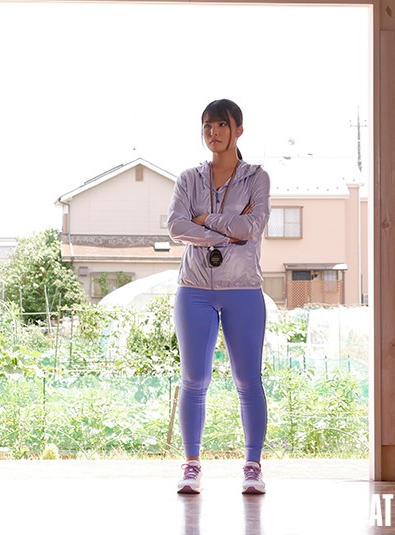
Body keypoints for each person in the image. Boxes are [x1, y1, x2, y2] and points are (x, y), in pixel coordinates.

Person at [167, 99, 271, 495]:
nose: (214, 133)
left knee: (248, 380)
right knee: (194, 379)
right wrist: (228, 232)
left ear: (238, 130)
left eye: (222, 125)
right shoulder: (188, 178)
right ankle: (191, 465)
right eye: (208, 126)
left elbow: (253, 227)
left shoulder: (256, 177)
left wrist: (206, 220)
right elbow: (176, 227)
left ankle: (253, 466)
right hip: (194, 289)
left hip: (243, 288)